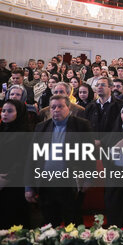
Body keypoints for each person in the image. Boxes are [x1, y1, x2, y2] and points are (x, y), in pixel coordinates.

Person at [25, 95, 95, 226]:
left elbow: (89, 155)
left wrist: (89, 179)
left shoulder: (81, 125)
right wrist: (29, 186)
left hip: (70, 184)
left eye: (60, 106)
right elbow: (32, 158)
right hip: (46, 184)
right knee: (49, 226)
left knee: (73, 225)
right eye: (53, 107)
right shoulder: (41, 127)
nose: (56, 110)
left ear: (68, 107)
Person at [0, 100, 31, 228]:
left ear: (19, 113)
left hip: (15, 184)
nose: (5, 114)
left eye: (10, 111)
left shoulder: (26, 133)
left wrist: (5, 178)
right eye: (3, 111)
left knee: (14, 223)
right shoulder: (2, 129)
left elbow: (24, 159)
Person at [84, 77, 123, 141]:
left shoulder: (119, 106)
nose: (99, 87)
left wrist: (102, 142)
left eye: (103, 85)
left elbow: (119, 129)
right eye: (97, 85)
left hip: (112, 144)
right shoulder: (90, 106)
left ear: (111, 87)